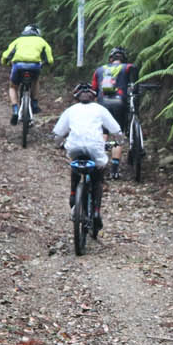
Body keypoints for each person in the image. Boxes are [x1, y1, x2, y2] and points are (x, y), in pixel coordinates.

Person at [53, 84, 121, 238]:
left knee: (75, 168)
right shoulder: (100, 109)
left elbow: (57, 133)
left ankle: (73, 195)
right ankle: (96, 212)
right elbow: (116, 130)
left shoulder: (70, 111)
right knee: (97, 178)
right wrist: (119, 141)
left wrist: (60, 144)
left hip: (75, 148)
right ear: (94, 96)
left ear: (76, 97)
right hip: (95, 148)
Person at [91, 47, 135, 178]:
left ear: (110, 59)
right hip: (119, 102)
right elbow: (135, 86)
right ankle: (114, 170)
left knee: (103, 133)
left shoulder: (99, 70)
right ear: (124, 59)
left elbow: (93, 90)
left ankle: (100, 165)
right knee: (117, 133)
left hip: (103, 103)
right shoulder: (129, 67)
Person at [0, 24, 54, 125]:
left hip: (18, 66)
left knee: (13, 87)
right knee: (35, 80)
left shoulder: (18, 40)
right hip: (34, 66)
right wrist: (45, 64)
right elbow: (49, 59)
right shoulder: (42, 41)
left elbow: (6, 56)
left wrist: (5, 62)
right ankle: (34, 104)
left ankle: (15, 110)